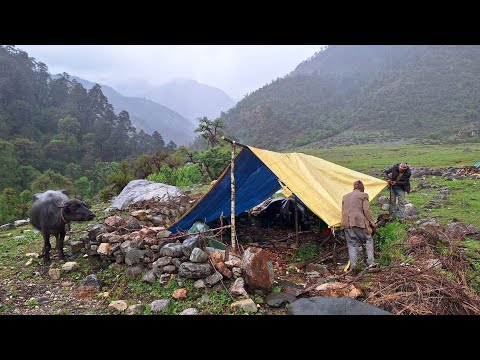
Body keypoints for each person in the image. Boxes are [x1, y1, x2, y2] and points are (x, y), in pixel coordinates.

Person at [341, 180, 377, 270]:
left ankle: (353, 266)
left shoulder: (345, 197)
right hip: (358, 222)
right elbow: (366, 210)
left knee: (352, 244)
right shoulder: (363, 195)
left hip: (346, 223)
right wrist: (373, 222)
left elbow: (343, 211)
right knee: (368, 239)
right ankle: (371, 263)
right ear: (362, 188)